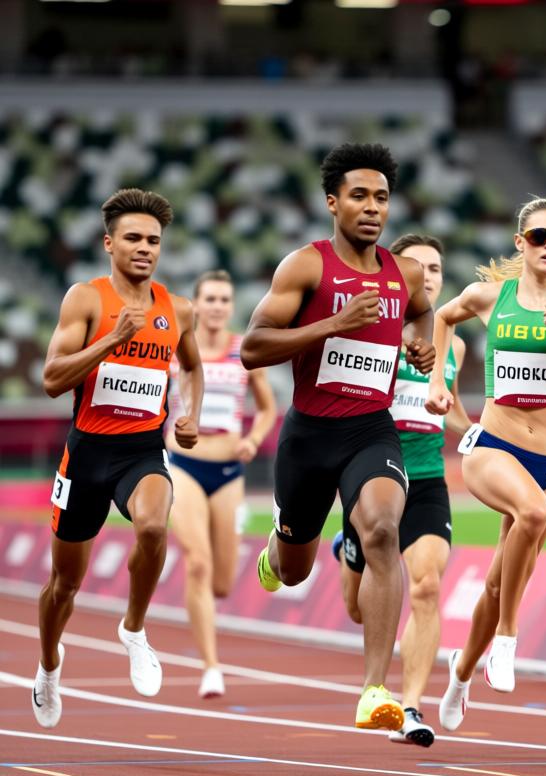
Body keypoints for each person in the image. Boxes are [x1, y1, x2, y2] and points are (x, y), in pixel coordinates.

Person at [240, 143, 434, 734]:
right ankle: (280, 545)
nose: (372, 208)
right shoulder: (306, 266)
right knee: (294, 571)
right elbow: (252, 347)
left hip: (371, 430)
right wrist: (331, 325)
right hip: (309, 436)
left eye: (381, 198)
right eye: (359, 196)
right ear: (333, 202)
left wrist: (420, 341)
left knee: (381, 529)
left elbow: (422, 311)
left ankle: (375, 690)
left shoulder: (406, 274)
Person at [427, 197, 546, 732]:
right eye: (540, 237)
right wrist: (440, 382)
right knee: (530, 516)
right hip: (494, 445)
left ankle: (462, 671)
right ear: (521, 244)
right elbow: (443, 318)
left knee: (497, 580)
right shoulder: (491, 297)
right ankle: (507, 640)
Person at [34, 188, 203, 728]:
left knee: (154, 526)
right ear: (109, 243)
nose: (145, 248)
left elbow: (193, 368)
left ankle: (133, 628)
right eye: (133, 238)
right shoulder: (85, 299)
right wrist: (111, 340)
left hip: (140, 451)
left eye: (154, 240)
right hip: (86, 454)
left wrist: (190, 414)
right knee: (65, 585)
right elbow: (53, 380)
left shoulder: (179, 310)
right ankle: (49, 665)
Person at [331, 233, 472, 747]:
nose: (429, 276)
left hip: (428, 475)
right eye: (418, 267)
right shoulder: (377, 328)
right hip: (376, 475)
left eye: (436, 267)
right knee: (358, 607)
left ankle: (410, 706)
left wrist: (471, 430)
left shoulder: (451, 341)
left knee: (428, 585)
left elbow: (447, 400)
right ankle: (345, 552)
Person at [167, 270, 277, 698]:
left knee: (222, 583)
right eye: (209, 298)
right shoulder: (177, 352)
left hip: (229, 470)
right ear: (195, 305)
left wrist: (252, 439)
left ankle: (210, 601)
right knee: (197, 561)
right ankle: (211, 666)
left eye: (223, 300)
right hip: (184, 465)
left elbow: (268, 409)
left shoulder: (242, 351)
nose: (216, 306)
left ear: (231, 307)